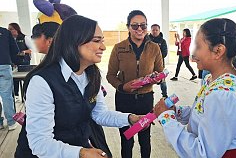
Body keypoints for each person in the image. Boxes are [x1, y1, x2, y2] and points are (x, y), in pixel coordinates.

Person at [14, 15, 143, 158]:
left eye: (103, 41)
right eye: (96, 41)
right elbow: (40, 143)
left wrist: (130, 118)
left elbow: (99, 114)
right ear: (74, 41)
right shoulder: (42, 81)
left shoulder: (92, 75)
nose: (103, 47)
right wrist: (81, 153)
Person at [153, 18, 236, 158]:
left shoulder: (224, 95)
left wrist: (167, 118)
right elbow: (203, 113)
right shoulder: (212, 80)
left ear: (218, 51)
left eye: (198, 47)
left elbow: (203, 153)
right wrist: (176, 112)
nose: (193, 54)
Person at [106, 10, 163, 158]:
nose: (139, 29)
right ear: (128, 27)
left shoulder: (154, 48)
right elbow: (110, 75)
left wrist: (158, 78)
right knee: (127, 139)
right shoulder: (119, 48)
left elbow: (160, 73)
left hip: (145, 99)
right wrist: (122, 87)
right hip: (124, 100)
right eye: (135, 25)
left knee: (145, 139)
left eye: (143, 26)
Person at [0, 27, 19, 131]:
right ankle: (11, 123)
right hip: (4, 65)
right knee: (7, 96)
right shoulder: (5, 32)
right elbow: (15, 50)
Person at [8, 23, 32, 99]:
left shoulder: (24, 38)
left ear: (16, 29)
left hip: (24, 63)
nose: (9, 31)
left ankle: (27, 95)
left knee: (25, 79)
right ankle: (16, 95)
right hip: (13, 63)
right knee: (14, 80)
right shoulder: (8, 39)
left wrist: (24, 52)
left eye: (11, 29)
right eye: (8, 29)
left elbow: (32, 49)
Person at [149, 24, 168, 98]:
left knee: (162, 81)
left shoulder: (162, 41)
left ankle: (165, 95)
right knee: (148, 80)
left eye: (156, 30)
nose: (155, 31)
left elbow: (164, 53)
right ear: (151, 30)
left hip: (159, 64)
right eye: (153, 30)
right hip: (148, 64)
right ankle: (148, 93)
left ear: (159, 31)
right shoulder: (146, 40)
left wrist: (154, 57)